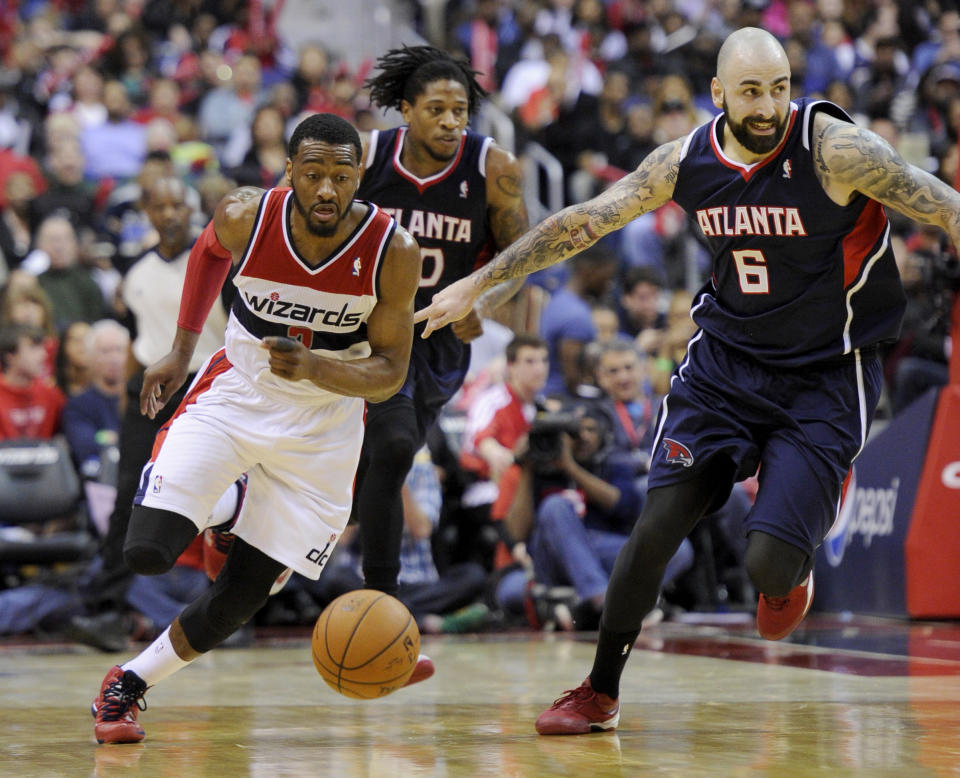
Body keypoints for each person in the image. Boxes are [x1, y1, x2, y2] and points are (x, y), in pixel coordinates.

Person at [415, 27, 960, 735]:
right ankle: (599, 691)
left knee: (768, 573)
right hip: (725, 369)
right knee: (656, 524)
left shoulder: (834, 149)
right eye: (751, 92)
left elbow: (938, 201)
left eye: (779, 89)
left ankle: (792, 560)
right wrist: (482, 283)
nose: (767, 107)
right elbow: (586, 222)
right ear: (718, 94)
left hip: (827, 371)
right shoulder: (686, 161)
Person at [89, 112, 422, 745]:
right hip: (237, 392)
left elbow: (389, 375)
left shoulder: (392, 250)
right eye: (315, 174)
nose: (327, 190)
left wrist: (318, 366)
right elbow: (207, 251)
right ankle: (229, 505)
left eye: (342, 177)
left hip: (323, 428)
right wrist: (182, 350)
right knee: (147, 553)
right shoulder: (248, 214)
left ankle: (128, 684)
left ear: (360, 178)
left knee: (235, 603)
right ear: (290, 171)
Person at [351, 46, 529, 656]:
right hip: (368, 332)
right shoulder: (367, 157)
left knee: (381, 463)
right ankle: (385, 607)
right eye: (437, 109)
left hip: (441, 343)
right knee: (394, 447)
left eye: (461, 110)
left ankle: (286, 553)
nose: (452, 121)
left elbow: (518, 260)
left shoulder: (493, 167)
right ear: (405, 110)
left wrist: (481, 298)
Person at [0, 323, 66, 440]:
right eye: (33, 348)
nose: (43, 355)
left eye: (42, 348)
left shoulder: (52, 396)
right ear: (10, 356)